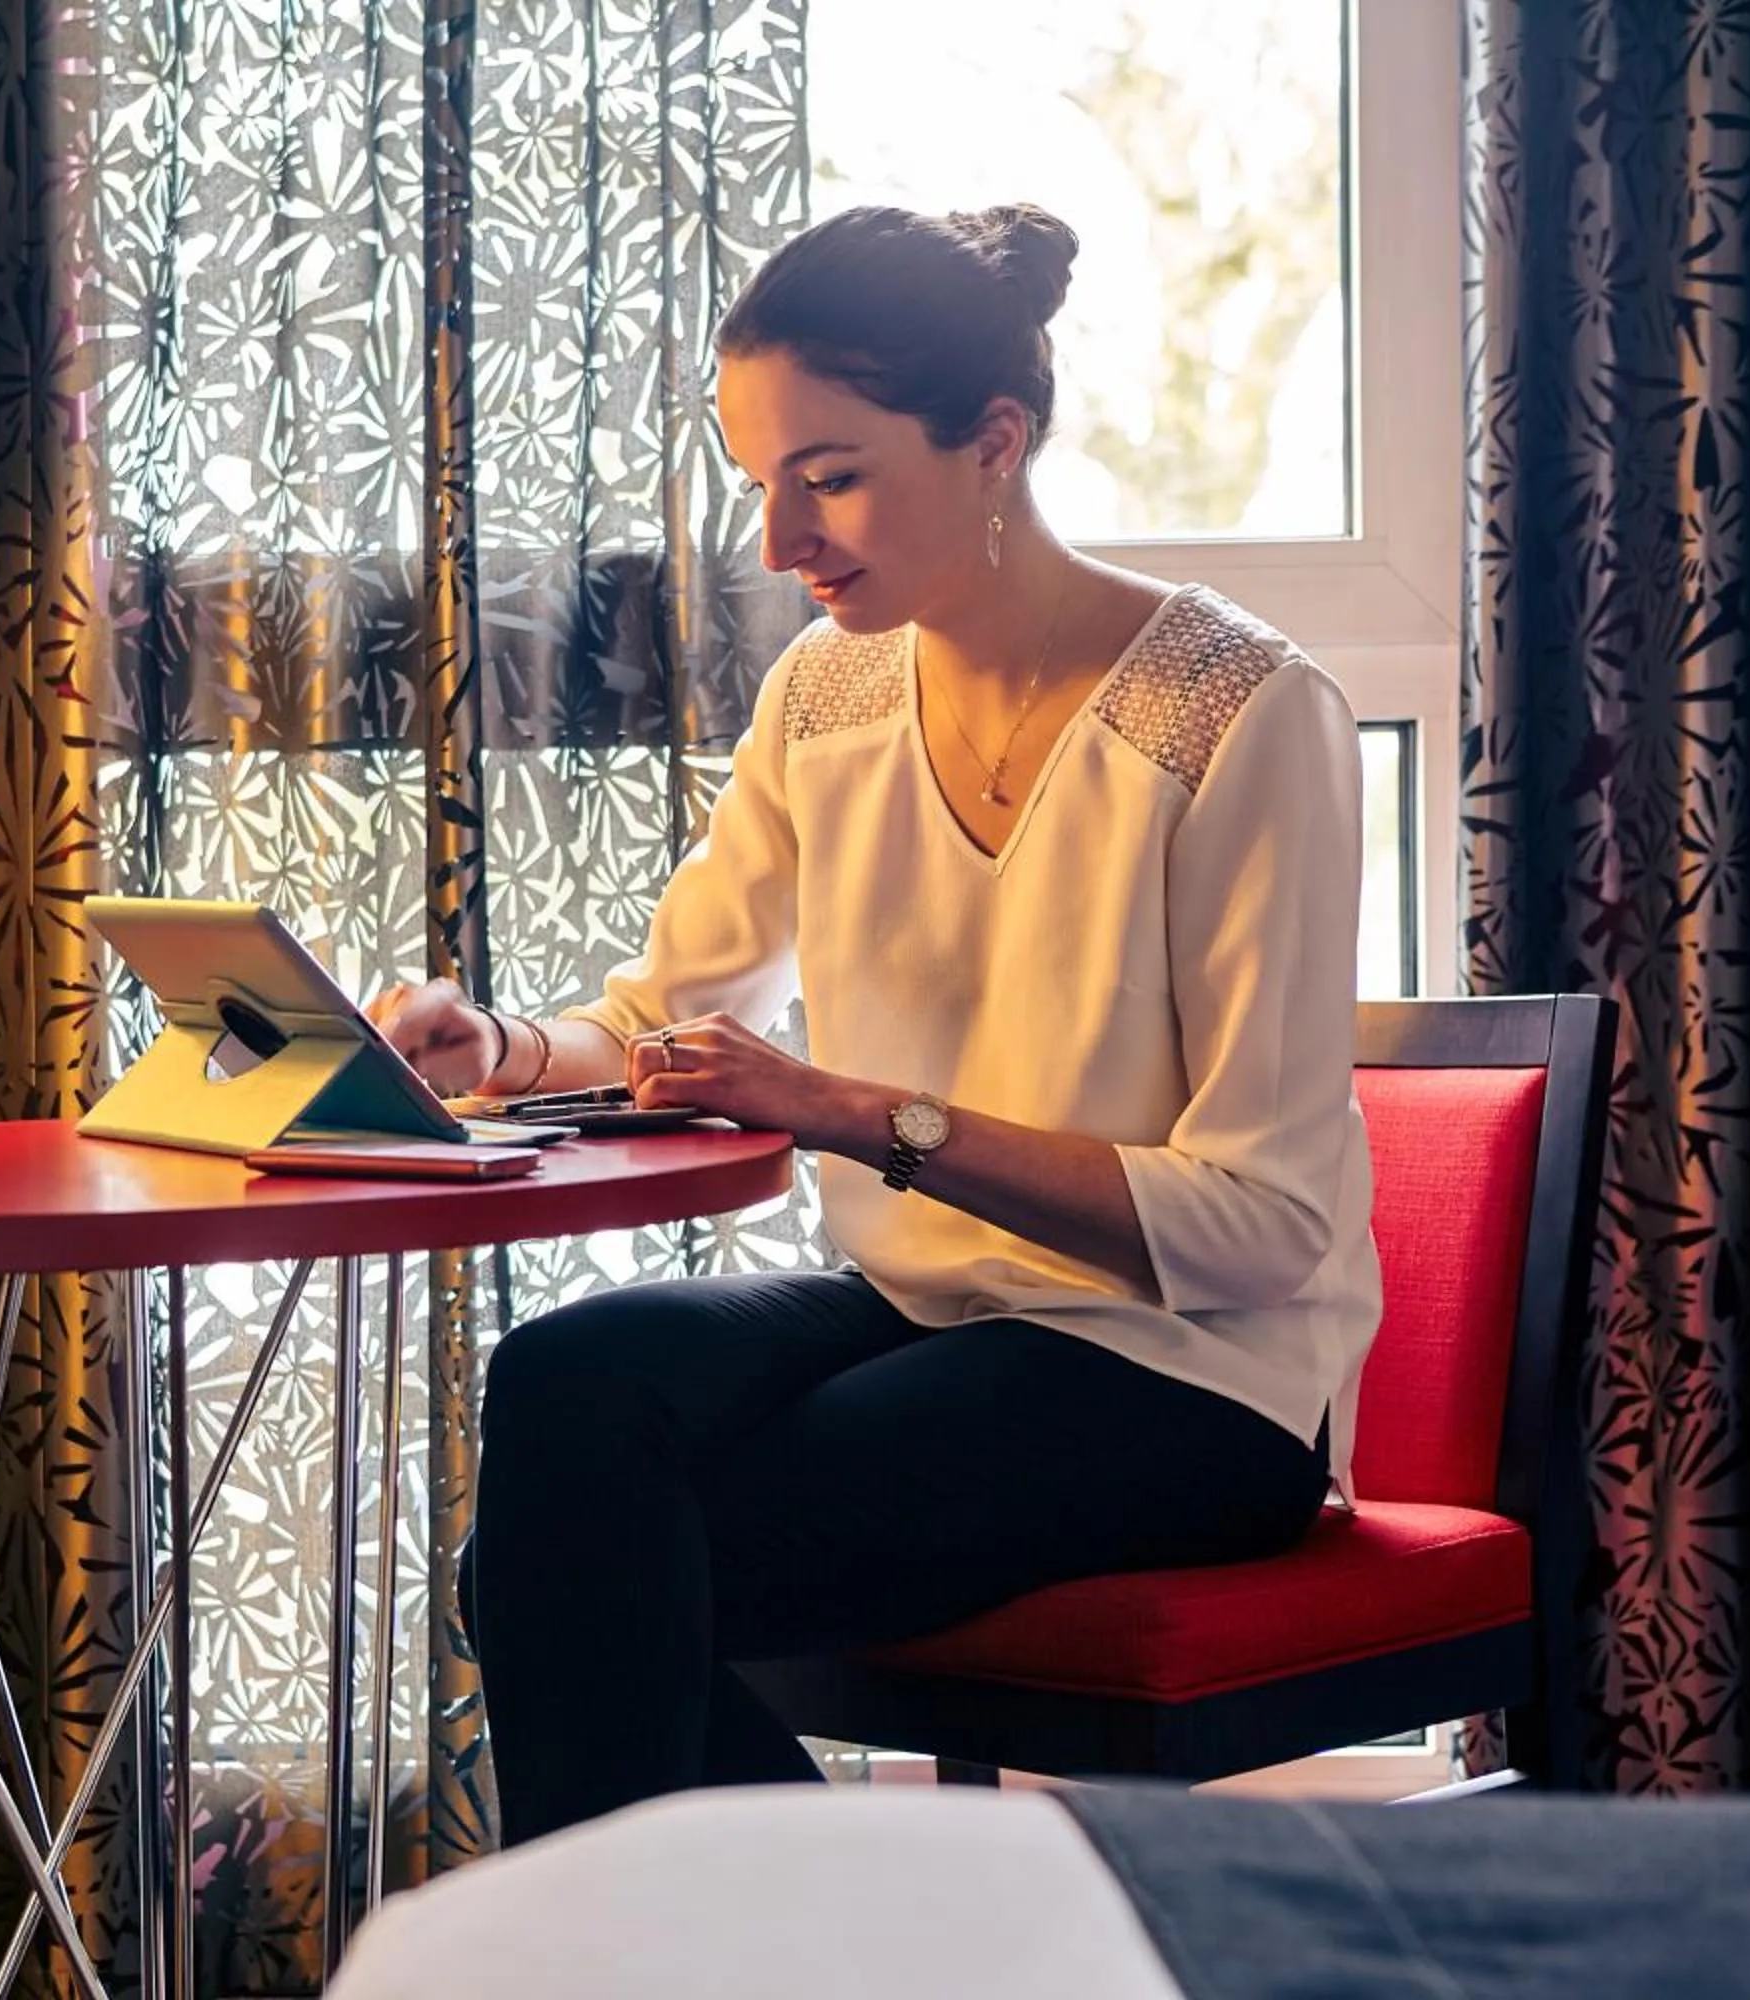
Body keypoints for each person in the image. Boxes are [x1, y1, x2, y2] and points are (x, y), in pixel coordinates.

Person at [369, 202, 1380, 1848]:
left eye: (826, 477)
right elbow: (669, 1011)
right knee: (569, 1379)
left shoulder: (1243, 714)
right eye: (758, 480)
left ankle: (700, 1952)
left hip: (1196, 1375)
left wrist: (859, 1113)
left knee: (563, 1569)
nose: (778, 541)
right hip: (932, 1313)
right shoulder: (827, 698)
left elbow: (1265, 1231)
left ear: (994, 442)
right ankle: (845, 1941)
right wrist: (503, 1050)